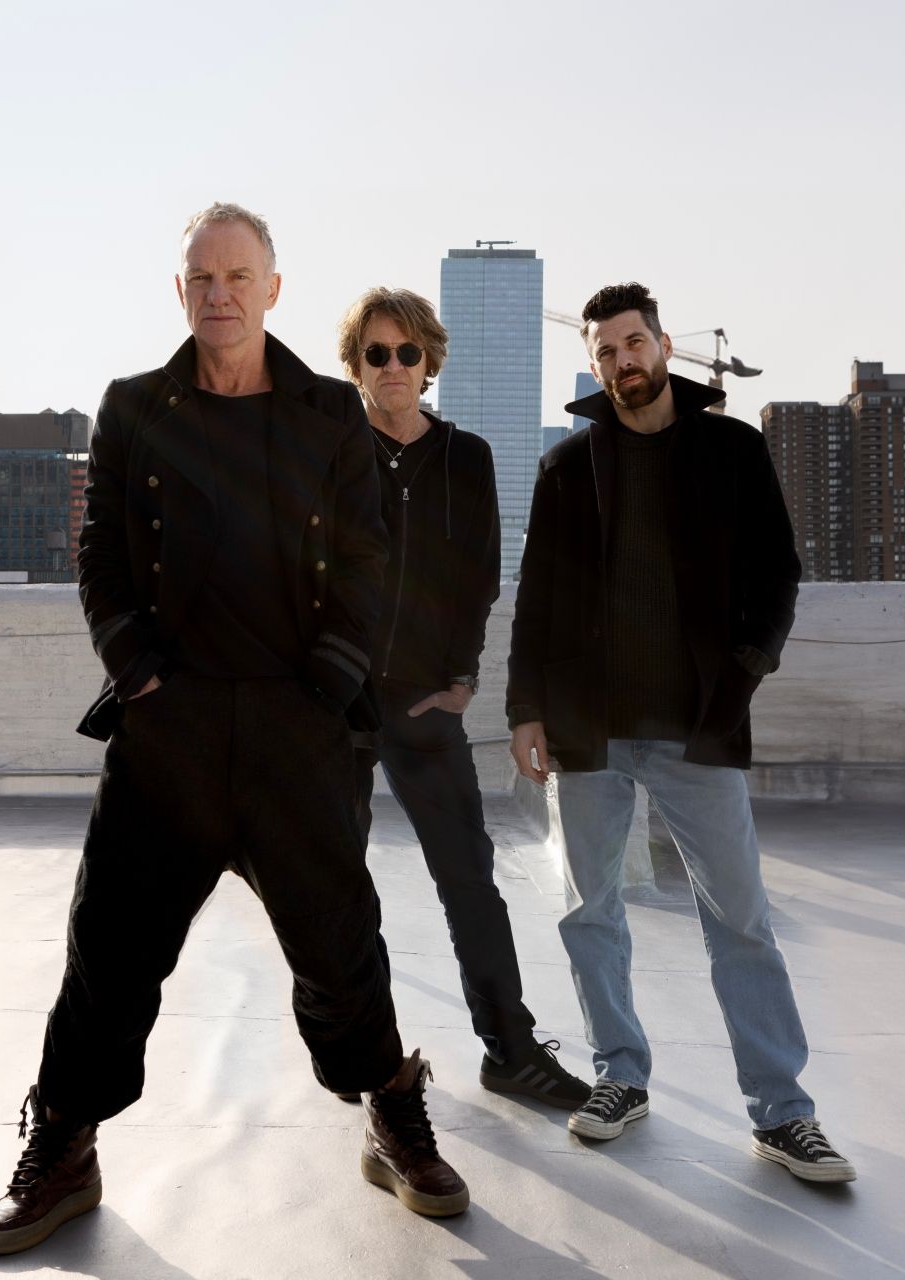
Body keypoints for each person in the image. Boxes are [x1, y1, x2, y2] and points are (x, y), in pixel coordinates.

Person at [0, 204, 469, 1256]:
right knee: (110, 946)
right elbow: (100, 553)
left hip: (296, 726)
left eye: (239, 276)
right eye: (202, 276)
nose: (220, 293)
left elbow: (369, 562)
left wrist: (325, 690)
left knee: (338, 942)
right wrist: (139, 674)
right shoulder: (134, 408)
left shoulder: (328, 412)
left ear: (272, 289)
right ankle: (63, 1144)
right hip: (171, 728)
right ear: (181, 290)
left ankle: (391, 1106)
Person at [506, 281, 856, 1183]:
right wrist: (524, 709)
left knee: (740, 919)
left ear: (663, 346)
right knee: (591, 912)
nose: (622, 361)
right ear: (594, 366)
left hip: (698, 725)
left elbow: (778, 573)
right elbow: (537, 598)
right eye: (605, 351)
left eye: (634, 343)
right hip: (588, 728)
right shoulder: (566, 466)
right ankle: (620, 1076)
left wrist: (745, 671)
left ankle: (783, 1112)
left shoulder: (733, 449)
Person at [335, 287, 589, 1109]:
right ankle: (371, 1061)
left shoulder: (466, 458)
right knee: (337, 888)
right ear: (356, 365)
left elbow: (479, 577)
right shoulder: (331, 450)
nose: (394, 367)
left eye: (407, 352)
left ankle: (510, 1049)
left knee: (469, 880)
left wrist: (461, 680)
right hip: (337, 704)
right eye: (377, 353)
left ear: (429, 361)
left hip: (423, 705)